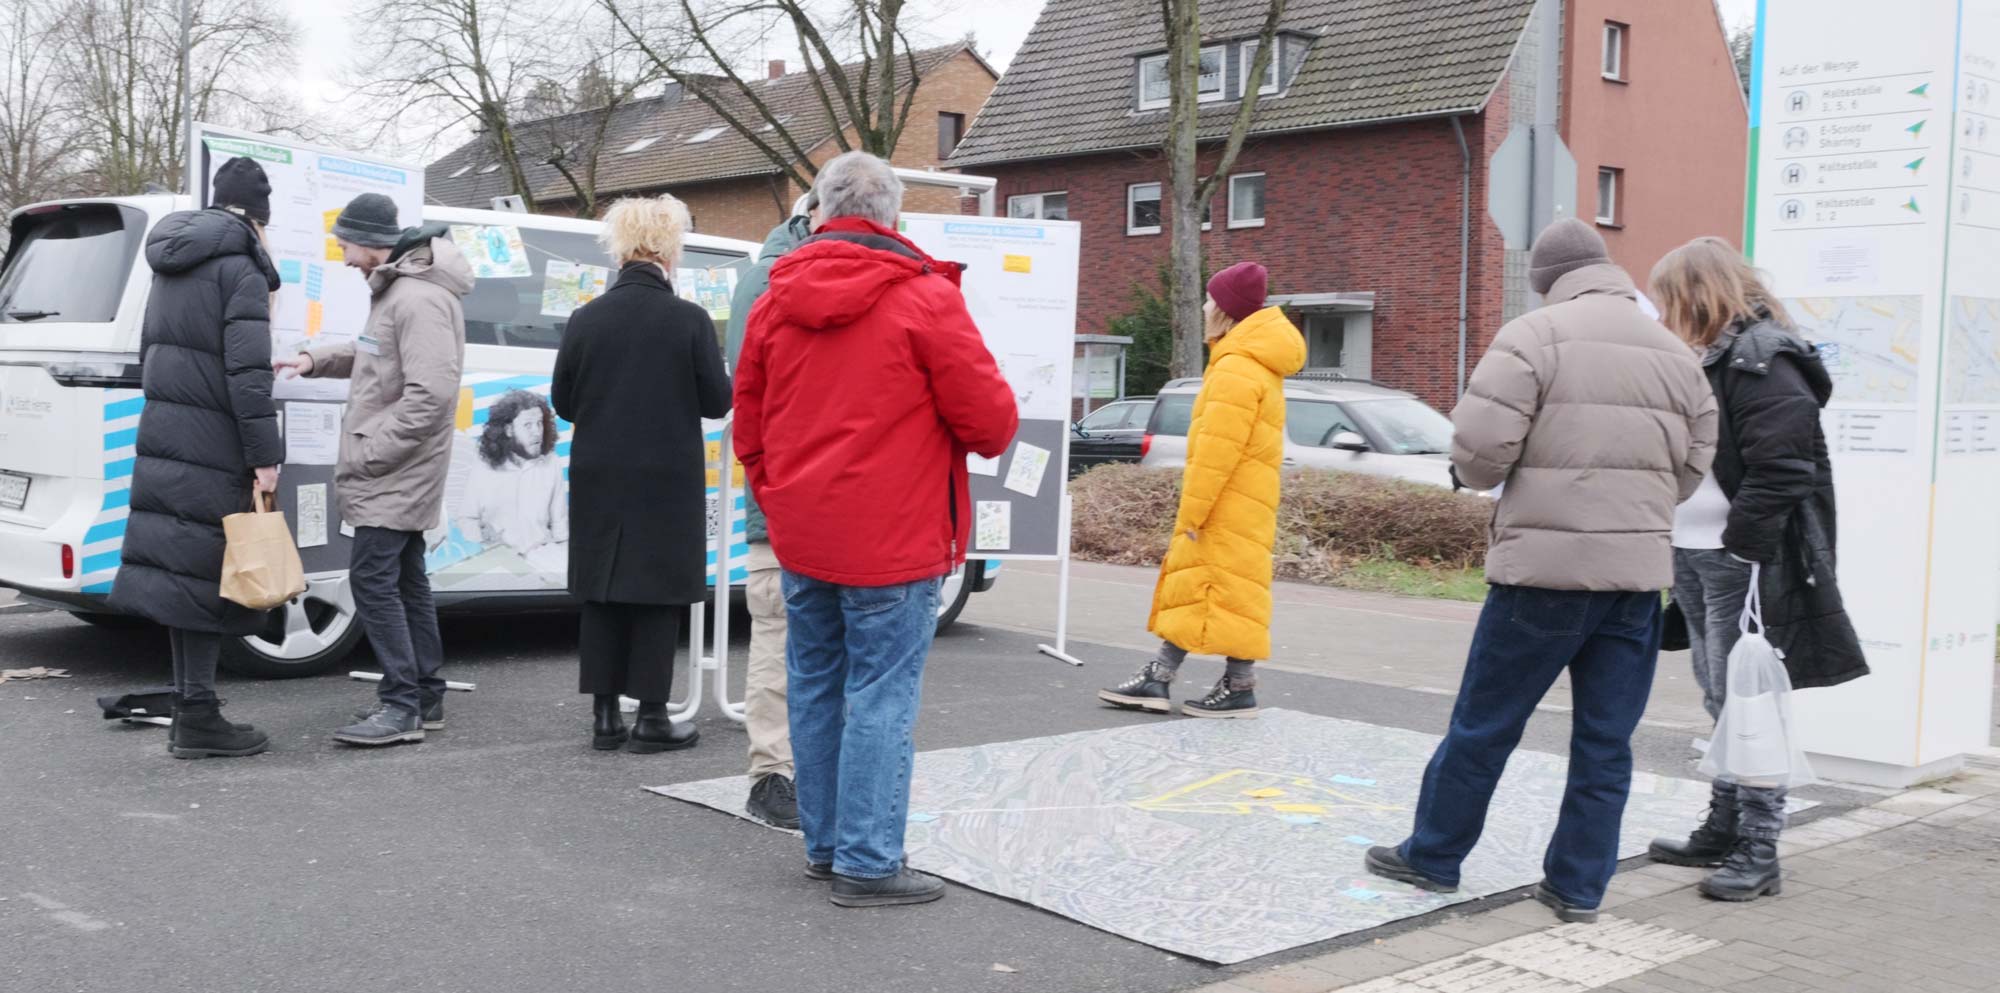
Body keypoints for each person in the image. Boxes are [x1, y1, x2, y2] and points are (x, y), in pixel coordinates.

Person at [1364, 218, 1718, 923]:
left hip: (1540, 577)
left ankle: (1434, 854)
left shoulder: (1532, 337)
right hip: (1634, 582)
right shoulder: (1677, 354)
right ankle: (1578, 886)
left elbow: (1479, 450)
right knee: (1606, 742)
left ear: (1547, 281)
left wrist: (1489, 477)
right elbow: (1694, 463)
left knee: (1485, 723)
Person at [734, 152, 1017, 908]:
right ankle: (866, 861)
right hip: (897, 535)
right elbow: (992, 424)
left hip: (804, 533)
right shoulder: (925, 298)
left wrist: (780, 497)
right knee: (881, 698)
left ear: (820, 212)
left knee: (816, 687)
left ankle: (828, 847)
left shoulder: (773, 299)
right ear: (894, 217)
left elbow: (749, 428)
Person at [1645, 237, 1867, 902]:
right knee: (1721, 694)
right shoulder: (1717, 356)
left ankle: (1759, 846)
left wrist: (1742, 546)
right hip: (1696, 552)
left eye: (1669, 300)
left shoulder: (1762, 358)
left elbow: (1784, 469)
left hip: (1736, 557)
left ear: (1697, 295)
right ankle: (1725, 825)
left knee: (1750, 700)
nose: (1664, 314)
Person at [273, 193, 471, 747]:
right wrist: (313, 360)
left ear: (367, 241)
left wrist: (371, 450)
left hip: (396, 466)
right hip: (396, 464)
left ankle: (402, 705)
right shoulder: (400, 290)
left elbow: (431, 394)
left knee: (371, 580)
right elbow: (373, 353)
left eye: (344, 245)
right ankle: (423, 694)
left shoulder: (417, 297)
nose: (342, 257)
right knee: (405, 579)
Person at [107, 157, 284, 759]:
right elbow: (248, 374)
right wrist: (265, 456)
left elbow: (151, 353)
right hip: (216, 442)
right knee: (208, 581)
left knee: (184, 579)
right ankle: (200, 718)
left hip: (167, 432)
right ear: (258, 218)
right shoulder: (242, 268)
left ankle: (191, 711)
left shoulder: (171, 263)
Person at [552, 195, 730, 754]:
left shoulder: (585, 318)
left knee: (602, 588)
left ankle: (605, 717)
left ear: (619, 250)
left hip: (599, 469)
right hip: (666, 473)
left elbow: (563, 402)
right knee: (658, 590)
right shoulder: (689, 319)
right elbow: (717, 400)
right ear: (669, 252)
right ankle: (652, 715)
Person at [1098, 262, 1304, 718]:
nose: (1206, 306)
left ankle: (1175, 679)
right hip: (1247, 502)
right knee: (1225, 592)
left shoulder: (1236, 367)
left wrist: (1192, 512)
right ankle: (1203, 681)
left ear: (1227, 310)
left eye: (1212, 299)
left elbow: (1217, 451)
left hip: (1225, 503)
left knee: (1207, 588)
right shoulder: (1255, 363)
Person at [721, 192, 817, 827]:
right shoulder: (772, 281)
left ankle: (786, 772)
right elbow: (756, 395)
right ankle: (772, 774)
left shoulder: (767, 276)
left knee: (788, 633)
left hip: (793, 490)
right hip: (785, 496)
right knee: (779, 631)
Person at [456, 388, 568, 569]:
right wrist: (482, 540)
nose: (537, 432)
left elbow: (560, 525)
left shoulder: (551, 462)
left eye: (539, 423)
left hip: (543, 557)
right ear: (508, 430)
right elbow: (467, 518)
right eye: (528, 425)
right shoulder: (484, 466)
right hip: (497, 560)